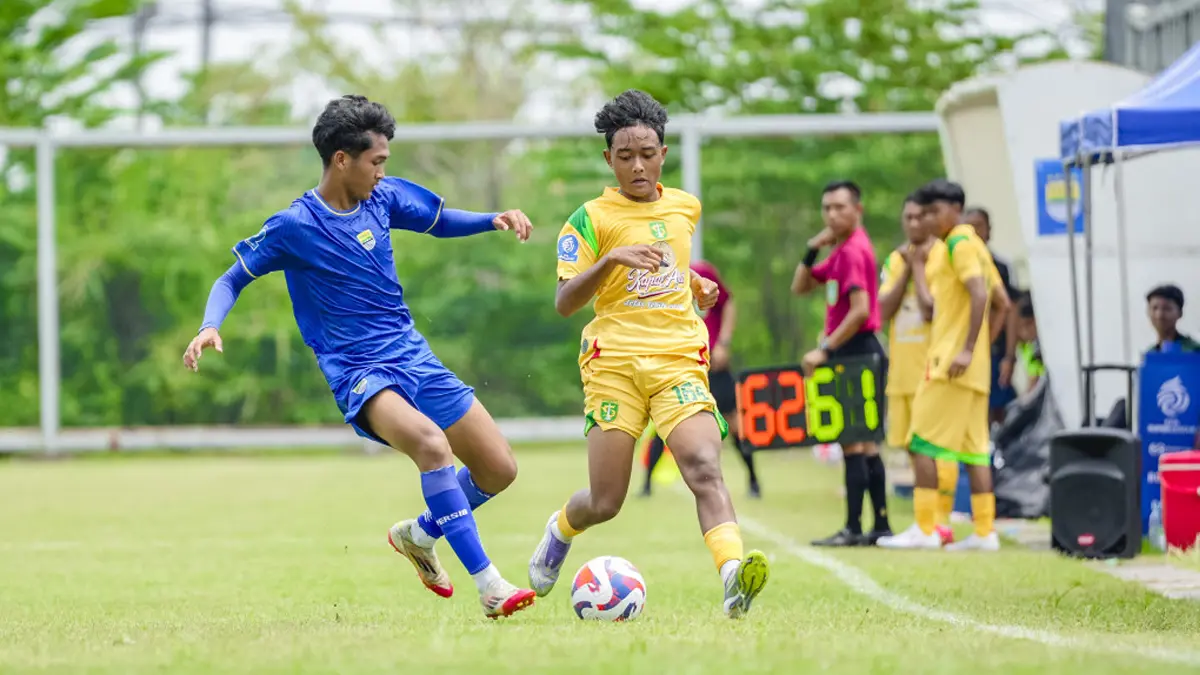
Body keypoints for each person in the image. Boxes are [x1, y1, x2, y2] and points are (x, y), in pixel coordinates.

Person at [181, 95, 538, 619]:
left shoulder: (383, 198)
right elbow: (233, 276)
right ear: (342, 159)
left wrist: (492, 219)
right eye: (376, 160)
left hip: (412, 354)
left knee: (498, 469)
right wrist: (210, 324)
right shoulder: (294, 226)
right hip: (359, 372)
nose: (382, 170)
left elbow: (437, 221)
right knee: (432, 447)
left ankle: (417, 535)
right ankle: (490, 585)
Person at [528, 89, 769, 619]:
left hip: (678, 359)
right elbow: (566, 302)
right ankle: (560, 530)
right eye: (625, 155)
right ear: (608, 159)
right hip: (613, 365)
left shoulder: (685, 207)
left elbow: (666, 269)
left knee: (704, 465)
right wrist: (612, 259)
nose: (637, 165)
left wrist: (693, 286)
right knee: (606, 501)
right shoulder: (588, 220)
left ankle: (733, 577)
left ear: (662, 153)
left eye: (648, 152)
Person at [878, 179, 1011, 551]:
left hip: (949, 362)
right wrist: (984, 348)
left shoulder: (956, 243)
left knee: (920, 440)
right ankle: (985, 533)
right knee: (975, 449)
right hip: (973, 368)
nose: (930, 220)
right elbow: (1002, 301)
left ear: (955, 208)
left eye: (935, 211)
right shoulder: (974, 244)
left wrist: (967, 347)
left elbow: (982, 294)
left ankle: (926, 528)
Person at [790, 180, 892, 547]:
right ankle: (879, 527)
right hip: (857, 350)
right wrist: (811, 249)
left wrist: (826, 350)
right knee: (865, 444)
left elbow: (862, 310)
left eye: (840, 207)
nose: (832, 214)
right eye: (827, 208)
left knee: (854, 443)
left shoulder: (853, 251)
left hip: (857, 349)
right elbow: (800, 287)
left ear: (857, 210)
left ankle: (853, 528)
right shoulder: (840, 250)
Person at [641, 259, 760, 498]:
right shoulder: (657, 278)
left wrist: (724, 343)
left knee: (734, 423)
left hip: (713, 364)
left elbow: (728, 303)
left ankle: (754, 480)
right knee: (663, 425)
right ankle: (646, 485)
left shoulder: (701, 271)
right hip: (680, 365)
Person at [877, 194, 954, 546]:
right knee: (911, 447)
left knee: (932, 448)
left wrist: (920, 268)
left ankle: (935, 523)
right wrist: (908, 267)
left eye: (921, 217)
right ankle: (930, 524)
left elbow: (930, 310)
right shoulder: (896, 259)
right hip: (902, 370)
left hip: (932, 368)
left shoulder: (944, 256)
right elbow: (883, 312)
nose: (913, 224)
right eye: (907, 217)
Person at [964, 207, 1018, 427]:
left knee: (998, 407)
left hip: (992, 351)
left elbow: (1008, 308)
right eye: (969, 227)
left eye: (979, 226)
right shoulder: (955, 263)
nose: (974, 232)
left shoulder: (1000, 267)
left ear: (989, 230)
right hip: (964, 352)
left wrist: (1008, 355)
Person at [1146, 284, 1200, 354]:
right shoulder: (1150, 354)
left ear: (1180, 313)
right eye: (1154, 308)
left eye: (1167, 309)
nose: (1159, 315)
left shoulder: (1193, 351)